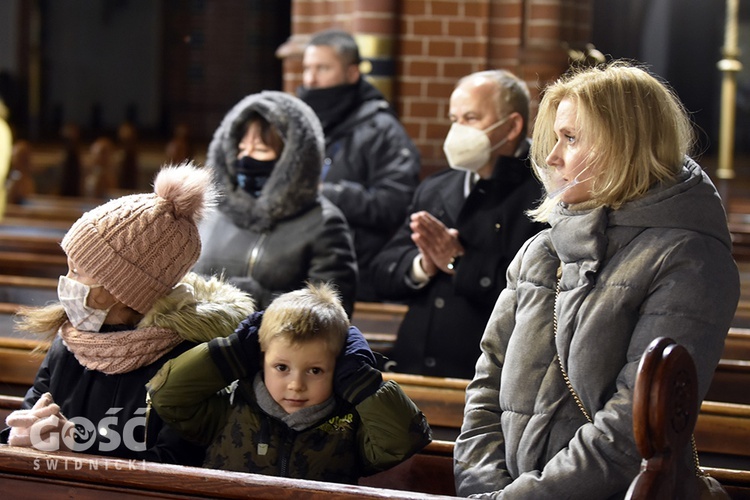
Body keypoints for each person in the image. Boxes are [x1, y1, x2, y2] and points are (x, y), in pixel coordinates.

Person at [453, 61, 740, 498]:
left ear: (626, 145)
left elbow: (630, 434)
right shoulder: (540, 251)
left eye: (570, 138)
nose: (551, 156)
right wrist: (482, 489)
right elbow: (487, 386)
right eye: (554, 137)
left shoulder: (687, 257)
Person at [1, 163, 256, 466]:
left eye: (78, 272)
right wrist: (20, 436)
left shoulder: (186, 358)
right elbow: (25, 427)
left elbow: (177, 464)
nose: (65, 281)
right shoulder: (69, 343)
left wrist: (75, 453)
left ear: (125, 290)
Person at [146, 281, 432, 483]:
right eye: (282, 367)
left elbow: (403, 440)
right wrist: (229, 354)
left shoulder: (349, 426)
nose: (296, 384)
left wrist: (362, 381)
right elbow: (168, 396)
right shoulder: (229, 410)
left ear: (339, 368)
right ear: (260, 359)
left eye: (315, 371)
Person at [370, 70, 546, 379]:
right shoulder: (437, 187)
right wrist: (423, 265)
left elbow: (534, 295)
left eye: (471, 118)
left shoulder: (540, 193)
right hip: (414, 367)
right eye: (454, 119)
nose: (458, 130)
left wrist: (457, 261)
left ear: (512, 126)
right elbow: (383, 272)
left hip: (486, 375)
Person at [192, 90, 358, 316]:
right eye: (241, 149)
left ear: (292, 159)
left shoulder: (324, 223)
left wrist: (253, 298)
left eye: (260, 150)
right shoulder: (212, 210)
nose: (246, 159)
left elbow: (331, 316)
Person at [297, 29, 421, 302]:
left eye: (322, 68)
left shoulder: (381, 129)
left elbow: (397, 201)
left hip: (355, 275)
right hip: (300, 266)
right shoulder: (301, 123)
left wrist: (327, 194)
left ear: (352, 73)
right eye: (307, 68)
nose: (310, 79)